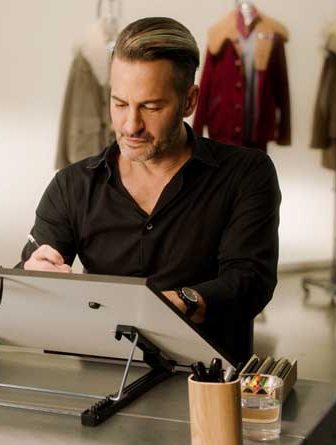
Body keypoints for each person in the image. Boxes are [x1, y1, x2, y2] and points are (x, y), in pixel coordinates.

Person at [19, 17, 281, 363]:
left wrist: (183, 302)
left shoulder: (246, 174)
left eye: (152, 107)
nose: (131, 125)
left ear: (189, 102)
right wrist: (34, 273)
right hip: (103, 379)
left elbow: (251, 280)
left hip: (204, 381)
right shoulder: (72, 185)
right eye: (120, 104)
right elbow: (28, 275)